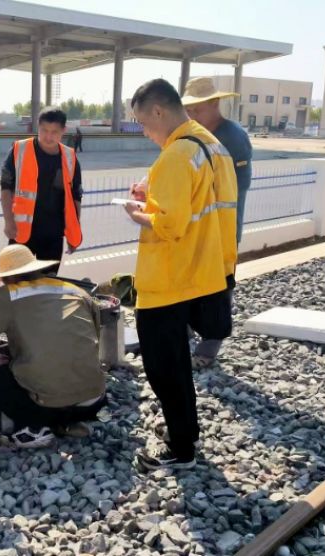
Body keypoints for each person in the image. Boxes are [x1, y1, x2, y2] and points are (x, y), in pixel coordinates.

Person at [123, 78, 234, 471]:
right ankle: (183, 430)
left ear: (158, 111)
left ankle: (181, 448)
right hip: (203, 270)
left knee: (164, 366)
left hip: (169, 278)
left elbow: (169, 225)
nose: (144, 131)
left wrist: (137, 212)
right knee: (178, 362)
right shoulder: (211, 146)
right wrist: (152, 197)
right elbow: (198, 205)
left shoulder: (174, 156)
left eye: (143, 122)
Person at [0, 244, 107, 448]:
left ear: (7, 277)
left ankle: (33, 427)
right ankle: (66, 423)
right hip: (93, 400)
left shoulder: (10, 294)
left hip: (46, 406)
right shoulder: (75, 290)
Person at [181, 76, 251, 365]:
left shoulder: (232, 137)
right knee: (187, 284)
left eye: (198, 109)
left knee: (219, 289)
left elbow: (238, 187)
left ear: (214, 103)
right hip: (195, 227)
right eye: (189, 109)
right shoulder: (193, 134)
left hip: (221, 231)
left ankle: (208, 349)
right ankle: (183, 335)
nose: (192, 114)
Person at [0, 106, 83, 274]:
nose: (48, 136)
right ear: (37, 126)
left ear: (63, 131)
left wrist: (74, 232)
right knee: (17, 284)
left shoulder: (69, 157)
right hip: (21, 233)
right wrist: (8, 221)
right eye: (44, 130)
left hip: (53, 235)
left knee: (48, 285)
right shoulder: (19, 150)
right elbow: (5, 187)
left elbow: (76, 197)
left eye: (54, 132)